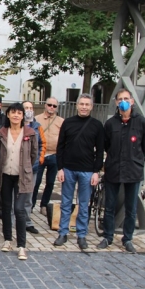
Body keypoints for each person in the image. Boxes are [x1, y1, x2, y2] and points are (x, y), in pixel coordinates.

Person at [97, 89, 145, 254]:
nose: (123, 102)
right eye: (120, 99)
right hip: (114, 168)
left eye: (126, 98)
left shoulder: (141, 122)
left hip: (133, 170)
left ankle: (127, 238)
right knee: (110, 205)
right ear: (116, 102)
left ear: (132, 101)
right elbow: (106, 144)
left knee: (131, 207)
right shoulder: (111, 123)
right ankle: (108, 236)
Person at [54, 93, 104, 250]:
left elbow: (100, 151)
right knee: (66, 203)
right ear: (77, 105)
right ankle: (63, 232)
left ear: (91, 107)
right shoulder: (68, 123)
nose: (84, 107)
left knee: (84, 205)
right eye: (81, 104)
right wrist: (60, 168)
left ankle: (81, 235)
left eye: (87, 104)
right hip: (68, 169)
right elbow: (60, 146)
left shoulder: (97, 125)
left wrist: (96, 171)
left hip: (87, 171)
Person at [0, 103, 38, 260]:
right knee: (6, 208)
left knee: (19, 209)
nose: (16, 115)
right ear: (8, 115)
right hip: (5, 174)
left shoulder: (30, 133)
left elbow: (33, 155)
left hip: (22, 176)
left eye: (19, 113)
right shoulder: (2, 133)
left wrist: (25, 168)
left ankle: (22, 245)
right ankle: (7, 239)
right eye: (13, 112)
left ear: (23, 115)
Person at [32, 97, 64, 216]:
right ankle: (31, 204)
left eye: (54, 106)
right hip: (41, 154)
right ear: (45, 105)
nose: (51, 107)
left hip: (54, 155)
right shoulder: (37, 119)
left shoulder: (61, 121)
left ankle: (44, 205)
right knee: (36, 181)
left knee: (50, 182)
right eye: (49, 105)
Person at [22, 101, 46, 234]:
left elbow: (43, 143)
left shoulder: (37, 127)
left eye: (31, 108)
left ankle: (27, 221)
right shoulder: (16, 126)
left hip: (33, 167)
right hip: (17, 167)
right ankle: (14, 220)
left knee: (28, 196)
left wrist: (40, 158)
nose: (29, 110)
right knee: (16, 195)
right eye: (26, 108)